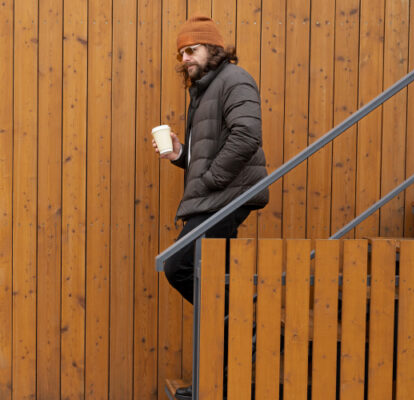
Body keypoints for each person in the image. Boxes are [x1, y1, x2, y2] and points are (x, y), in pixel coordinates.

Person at [155, 15, 269, 399]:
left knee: (178, 265)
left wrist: (209, 183)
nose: (186, 57)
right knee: (208, 282)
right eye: (182, 52)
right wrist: (180, 154)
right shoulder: (204, 90)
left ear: (213, 49)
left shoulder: (233, 80)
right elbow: (208, 156)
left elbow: (247, 135)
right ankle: (214, 376)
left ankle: (244, 322)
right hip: (216, 194)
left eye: (193, 49)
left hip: (225, 198)